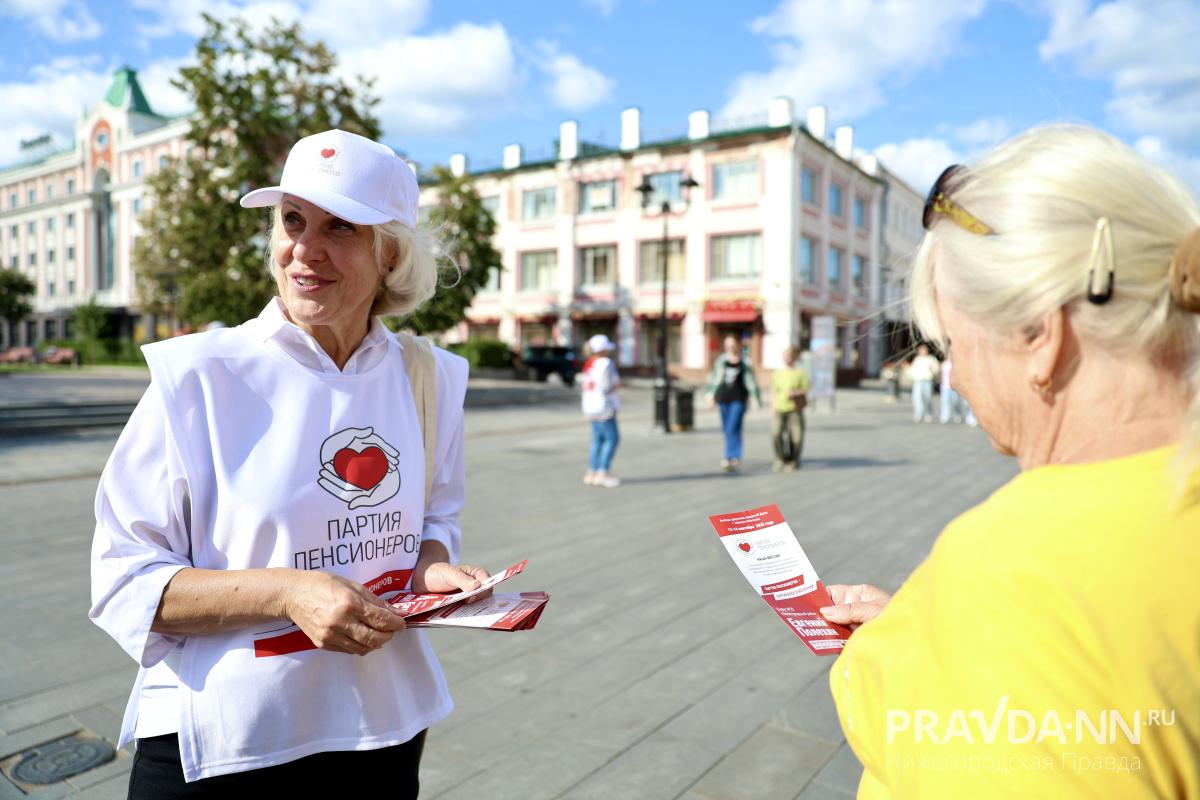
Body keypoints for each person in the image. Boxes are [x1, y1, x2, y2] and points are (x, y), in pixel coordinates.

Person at [89, 129, 490, 797]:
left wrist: (431, 564)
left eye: (339, 227)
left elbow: (435, 512)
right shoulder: (198, 377)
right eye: (292, 220)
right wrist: (287, 592)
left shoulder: (430, 379)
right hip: (229, 745)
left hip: (379, 731)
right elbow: (122, 581)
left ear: (390, 252)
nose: (304, 250)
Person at [819, 125, 1200, 797]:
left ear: (1038, 334)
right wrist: (933, 639)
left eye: (956, 343)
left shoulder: (1022, 576)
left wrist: (960, 637)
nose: (957, 377)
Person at [705, 334, 762, 471]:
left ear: (737, 345)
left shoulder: (745, 362)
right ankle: (735, 454)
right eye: (727, 345)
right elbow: (714, 380)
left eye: (732, 345)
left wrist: (756, 399)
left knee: (732, 426)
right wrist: (710, 396)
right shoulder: (721, 361)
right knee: (727, 428)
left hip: (739, 399)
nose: (730, 348)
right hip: (724, 399)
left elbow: (751, 382)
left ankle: (729, 456)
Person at [580, 333, 621, 488]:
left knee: (597, 440)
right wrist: (618, 386)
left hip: (591, 406)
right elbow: (606, 387)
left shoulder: (589, 363)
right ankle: (602, 472)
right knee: (612, 439)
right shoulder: (606, 363)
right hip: (605, 406)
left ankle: (592, 472)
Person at [770, 345, 810, 471]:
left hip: (794, 408)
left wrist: (796, 392)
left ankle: (794, 459)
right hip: (780, 407)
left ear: (794, 358)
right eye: (785, 356)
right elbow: (774, 392)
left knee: (796, 436)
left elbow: (806, 389)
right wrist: (772, 407)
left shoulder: (800, 373)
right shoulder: (777, 373)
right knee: (776, 433)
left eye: (789, 356)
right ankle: (780, 458)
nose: (787, 359)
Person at [907, 343, 938, 422]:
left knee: (928, 398)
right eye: (921, 350)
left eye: (924, 350)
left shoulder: (931, 359)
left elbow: (936, 369)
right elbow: (912, 370)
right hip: (918, 381)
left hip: (927, 380)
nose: (922, 351)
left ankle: (929, 413)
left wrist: (932, 371)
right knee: (917, 398)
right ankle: (918, 414)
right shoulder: (917, 359)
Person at [938, 356, 963, 423]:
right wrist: (941, 382)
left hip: (955, 386)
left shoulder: (957, 364)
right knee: (945, 402)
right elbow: (940, 373)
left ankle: (958, 414)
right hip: (945, 386)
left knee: (956, 402)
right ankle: (944, 416)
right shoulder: (944, 364)